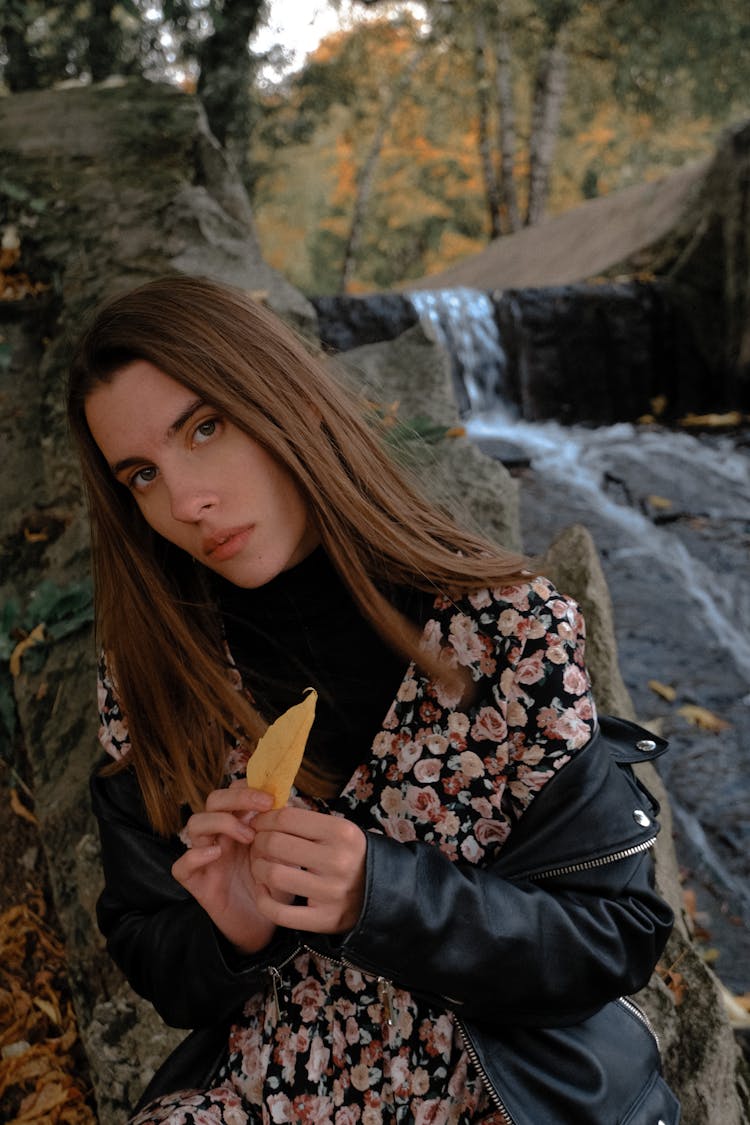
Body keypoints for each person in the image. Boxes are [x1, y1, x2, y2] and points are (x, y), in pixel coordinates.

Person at [67, 275, 680, 1125]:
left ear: (289, 402)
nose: (184, 501)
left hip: (501, 1080)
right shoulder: (153, 675)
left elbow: (615, 933)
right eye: (141, 474)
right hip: (268, 1088)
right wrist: (230, 934)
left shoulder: (505, 631)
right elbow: (149, 944)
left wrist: (384, 895)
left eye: (205, 428)